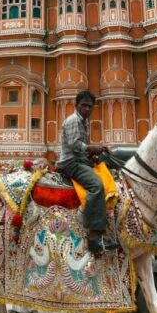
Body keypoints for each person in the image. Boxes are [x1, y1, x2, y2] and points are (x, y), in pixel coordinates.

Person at [57, 90, 116, 255]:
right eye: (83, 105)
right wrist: (92, 147)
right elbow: (75, 145)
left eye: (90, 107)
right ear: (76, 105)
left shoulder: (83, 122)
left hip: (80, 160)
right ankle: (94, 236)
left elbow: (82, 148)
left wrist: (97, 151)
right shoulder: (73, 121)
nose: (86, 109)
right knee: (97, 185)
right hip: (70, 163)